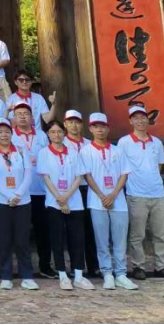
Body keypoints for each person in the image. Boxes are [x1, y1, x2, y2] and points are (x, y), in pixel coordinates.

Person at [79, 112, 138, 291]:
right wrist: (102, 195)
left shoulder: (117, 150)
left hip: (118, 201)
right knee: (101, 239)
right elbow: (87, 176)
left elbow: (124, 174)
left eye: (102, 126)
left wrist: (113, 194)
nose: (99, 130)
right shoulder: (85, 151)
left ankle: (121, 273)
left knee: (119, 239)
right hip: (96, 201)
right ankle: (107, 273)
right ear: (90, 129)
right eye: (96, 126)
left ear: (108, 128)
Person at [119, 105, 164, 281]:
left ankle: (161, 266)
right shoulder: (124, 142)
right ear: (130, 121)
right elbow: (120, 167)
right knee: (137, 235)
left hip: (157, 193)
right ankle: (139, 266)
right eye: (136, 118)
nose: (140, 121)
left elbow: (159, 165)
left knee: (160, 234)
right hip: (136, 194)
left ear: (148, 119)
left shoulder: (156, 142)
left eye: (143, 117)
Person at [37, 119, 93, 291]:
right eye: (53, 132)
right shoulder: (44, 153)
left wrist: (67, 196)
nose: (56, 135)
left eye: (59, 131)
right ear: (48, 134)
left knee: (77, 238)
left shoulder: (73, 152)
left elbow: (79, 177)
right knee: (57, 239)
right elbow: (46, 177)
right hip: (54, 202)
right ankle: (62, 274)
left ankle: (78, 275)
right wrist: (59, 199)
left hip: (74, 201)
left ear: (64, 133)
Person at [0, 118, 37, 291]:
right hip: (0, 201)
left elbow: (28, 174)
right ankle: (5, 276)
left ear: (11, 134)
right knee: (3, 240)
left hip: (22, 201)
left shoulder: (21, 151)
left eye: (7, 131)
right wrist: (8, 195)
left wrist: (18, 194)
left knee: (22, 240)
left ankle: (27, 276)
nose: (4, 135)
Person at [11, 99, 55, 279]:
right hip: (21, 192)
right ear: (14, 118)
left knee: (44, 231)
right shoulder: (10, 136)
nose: (23, 117)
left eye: (26, 114)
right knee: (20, 233)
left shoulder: (42, 136)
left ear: (32, 117)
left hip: (41, 190)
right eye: (19, 114)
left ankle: (45, 266)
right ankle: (24, 268)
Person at [63, 109, 99, 277]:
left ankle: (94, 265)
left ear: (82, 125)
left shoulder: (89, 144)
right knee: (74, 231)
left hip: (90, 189)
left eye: (77, 122)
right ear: (65, 124)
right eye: (70, 122)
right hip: (71, 190)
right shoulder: (62, 143)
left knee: (91, 228)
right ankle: (76, 266)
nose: (74, 125)